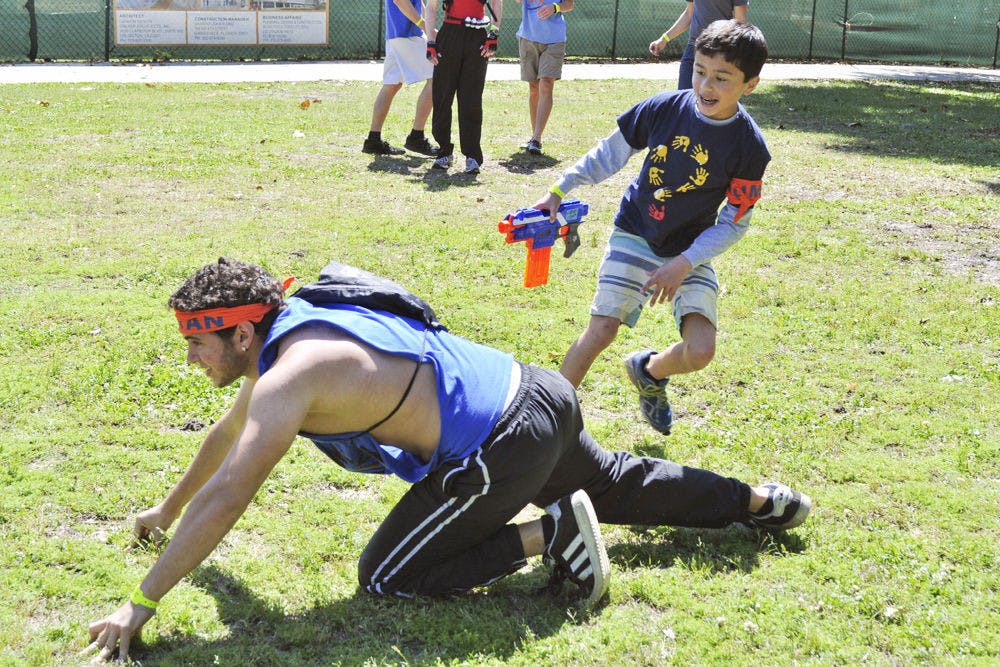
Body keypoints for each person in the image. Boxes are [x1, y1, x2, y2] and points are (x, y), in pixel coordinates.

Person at [82, 256, 810, 662]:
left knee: (388, 575)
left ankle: (550, 533)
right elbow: (223, 437)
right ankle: (756, 502)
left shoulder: (289, 377)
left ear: (243, 334)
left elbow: (232, 492)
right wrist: (163, 511)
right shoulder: (297, 326)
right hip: (539, 391)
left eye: (197, 343)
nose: (189, 358)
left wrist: (140, 603)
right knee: (619, 481)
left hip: (502, 444)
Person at [531, 20, 769, 435]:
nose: (705, 86)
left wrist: (684, 263)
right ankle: (544, 425)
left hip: (690, 249)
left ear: (750, 84)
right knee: (601, 329)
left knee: (701, 351)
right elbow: (609, 153)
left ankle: (650, 370)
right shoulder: (663, 107)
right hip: (636, 231)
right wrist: (560, 188)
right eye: (699, 71)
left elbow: (734, 224)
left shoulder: (750, 147)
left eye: (721, 78)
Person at [424, 0, 503, 174]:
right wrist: (430, 41)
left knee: (471, 98)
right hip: (449, 34)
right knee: (442, 96)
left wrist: (493, 34)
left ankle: (472, 155)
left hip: (477, 37)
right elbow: (431, 7)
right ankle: (444, 151)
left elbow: (496, 3)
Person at [362, 0, 440, 157]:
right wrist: (425, 27)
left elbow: (418, 3)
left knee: (392, 85)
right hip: (407, 36)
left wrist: (430, 28)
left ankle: (373, 140)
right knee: (436, 79)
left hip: (396, 36)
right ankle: (416, 137)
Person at [514, 0, 573, 156]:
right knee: (534, 87)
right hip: (528, 37)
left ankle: (537, 138)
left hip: (554, 40)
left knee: (546, 84)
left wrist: (555, 7)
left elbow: (569, 4)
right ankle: (534, 136)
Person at [648, 0, 749, 89]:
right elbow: (689, 14)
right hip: (693, 47)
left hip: (720, 51)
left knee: (712, 100)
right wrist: (664, 39)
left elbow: (739, 22)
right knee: (684, 95)